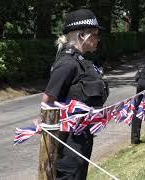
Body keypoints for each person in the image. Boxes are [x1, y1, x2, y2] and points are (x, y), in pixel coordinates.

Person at [40, 9, 108, 180]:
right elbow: (47, 101)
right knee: (70, 175)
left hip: (82, 135)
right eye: (95, 34)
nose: (98, 39)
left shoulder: (84, 63)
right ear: (81, 35)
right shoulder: (67, 63)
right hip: (69, 139)